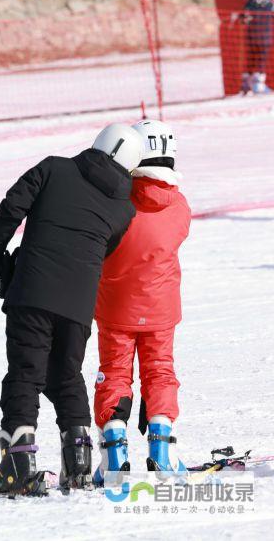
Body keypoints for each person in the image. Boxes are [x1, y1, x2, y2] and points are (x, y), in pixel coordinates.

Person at [0, 124, 141, 497]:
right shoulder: (124, 209)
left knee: (25, 375)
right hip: (79, 304)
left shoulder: (54, 168)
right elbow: (106, 248)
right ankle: (78, 465)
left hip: (33, 292)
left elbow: (11, 208)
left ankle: (17, 467)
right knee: (66, 376)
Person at [93, 120, 190, 484]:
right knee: (160, 371)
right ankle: (163, 449)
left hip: (115, 306)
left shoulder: (115, 203)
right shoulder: (179, 205)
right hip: (162, 307)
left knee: (114, 372)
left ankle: (114, 455)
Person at [235, 0, 273, 95]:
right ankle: (249, 84)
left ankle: (254, 84)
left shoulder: (259, 3)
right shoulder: (265, 1)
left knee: (256, 59)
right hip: (258, 36)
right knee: (255, 59)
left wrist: (242, 17)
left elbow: (245, 18)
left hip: (260, 35)